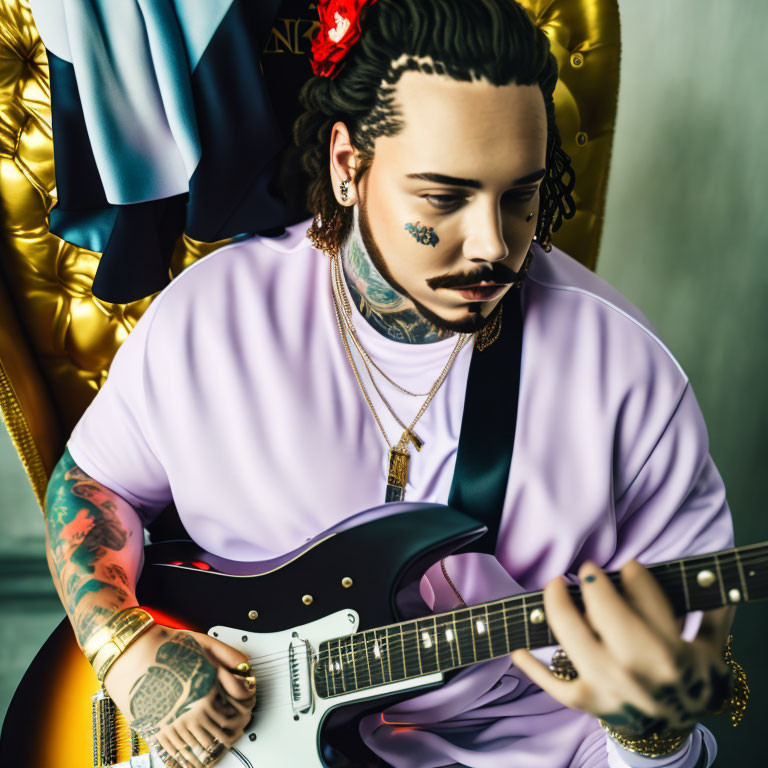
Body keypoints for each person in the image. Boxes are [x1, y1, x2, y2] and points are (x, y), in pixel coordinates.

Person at [43, 1, 737, 766]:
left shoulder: (627, 377)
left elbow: (677, 717)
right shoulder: (213, 319)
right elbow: (92, 483)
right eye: (443, 198)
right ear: (348, 166)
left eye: (520, 197)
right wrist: (124, 642)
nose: (493, 246)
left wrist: (652, 732)